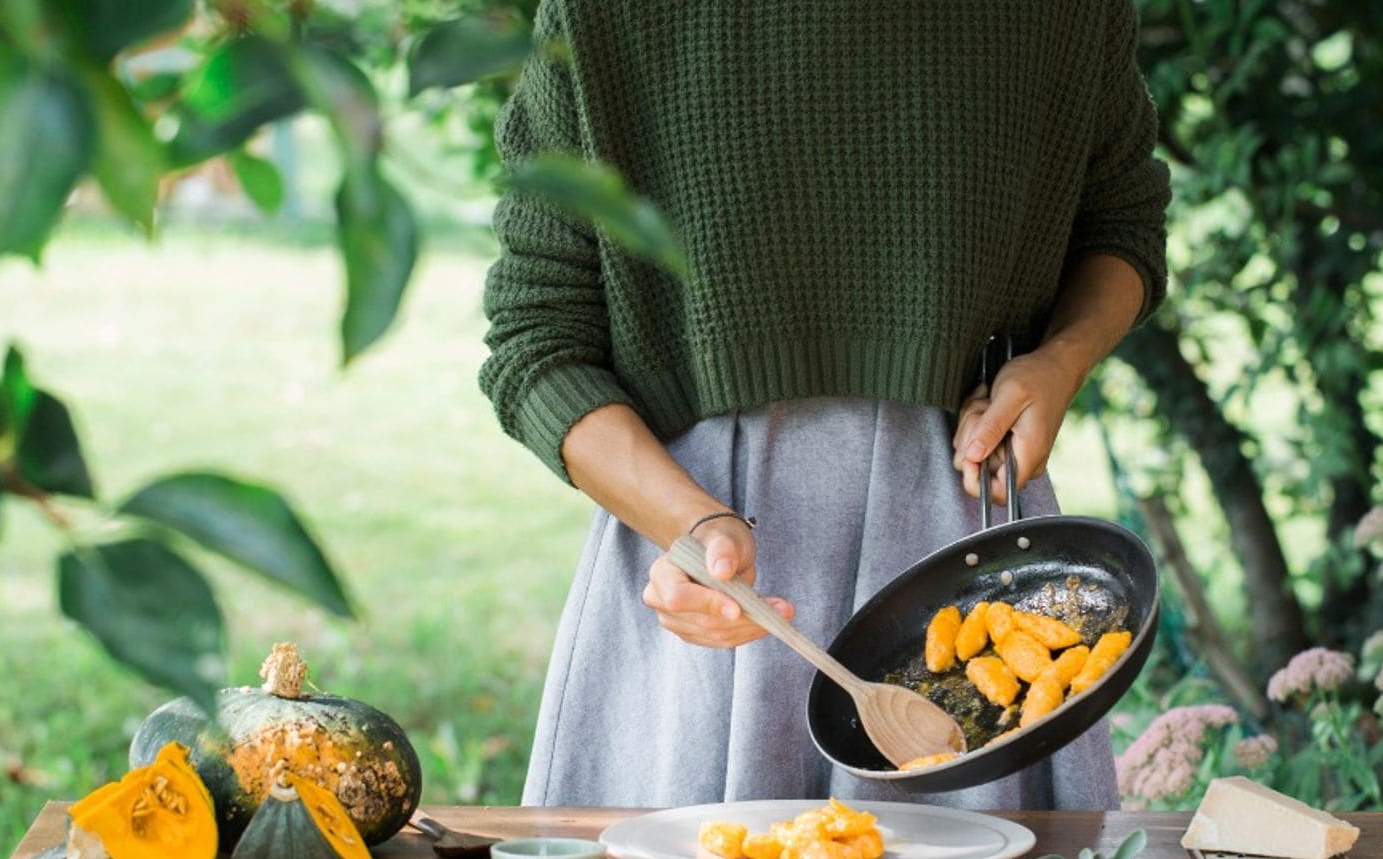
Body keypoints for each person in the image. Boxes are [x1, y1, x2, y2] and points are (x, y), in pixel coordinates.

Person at [480, 1, 1170, 811]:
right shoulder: (609, 16)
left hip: (966, 556)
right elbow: (538, 339)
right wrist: (689, 525)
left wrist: (1062, 358)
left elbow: (1121, 222)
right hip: (702, 576)